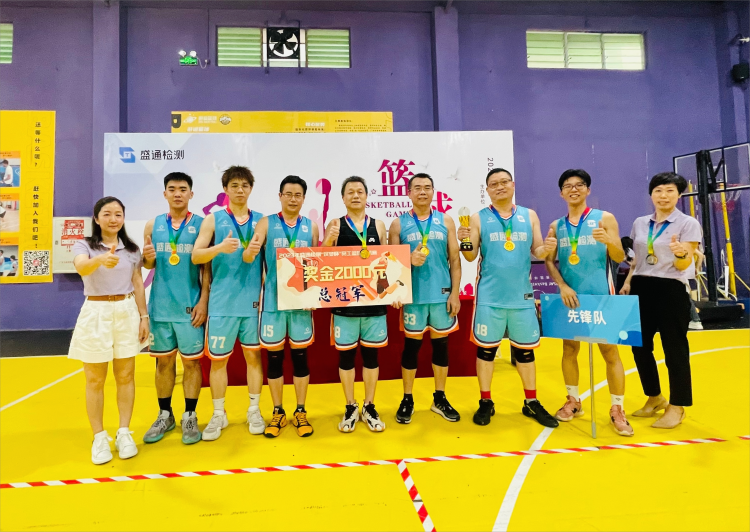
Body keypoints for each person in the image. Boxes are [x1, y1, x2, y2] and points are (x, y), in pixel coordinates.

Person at [457, 168, 558, 428]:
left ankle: (531, 401)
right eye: (494, 184)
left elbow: (537, 250)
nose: (500, 187)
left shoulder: (529, 215)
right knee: (486, 351)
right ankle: (486, 401)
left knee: (525, 353)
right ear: (487, 190)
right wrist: (464, 241)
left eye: (504, 182)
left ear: (513, 185)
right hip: (489, 297)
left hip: (521, 297)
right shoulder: (478, 218)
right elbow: (470, 256)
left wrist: (547, 249)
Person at [544, 169, 633, 436]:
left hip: (601, 296)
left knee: (610, 353)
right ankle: (573, 401)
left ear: (588, 190)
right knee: (569, 349)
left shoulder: (604, 218)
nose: (574, 189)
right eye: (568, 186)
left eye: (579, 185)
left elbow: (620, 256)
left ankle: (617, 408)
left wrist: (609, 242)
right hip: (570, 297)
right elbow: (548, 261)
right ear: (561, 193)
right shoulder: (556, 226)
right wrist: (562, 286)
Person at [68, 197, 149, 464]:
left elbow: (138, 282)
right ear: (96, 218)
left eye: (118, 214)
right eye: (107, 214)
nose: (113, 219)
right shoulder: (84, 245)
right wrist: (100, 259)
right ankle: (99, 437)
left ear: (123, 218)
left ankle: (124, 432)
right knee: (95, 380)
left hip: (126, 311)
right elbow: (81, 266)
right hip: (96, 311)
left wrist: (144, 317)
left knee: (125, 376)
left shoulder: (132, 249)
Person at [620, 172, 702, 429]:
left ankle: (677, 405)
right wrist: (628, 281)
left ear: (679, 194)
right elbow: (638, 259)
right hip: (641, 286)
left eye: (669, 190)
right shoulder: (640, 223)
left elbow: (685, 264)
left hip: (670, 288)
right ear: (651, 194)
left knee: (674, 349)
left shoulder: (688, 223)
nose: (663, 195)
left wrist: (681, 254)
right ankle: (654, 397)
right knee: (639, 346)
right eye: (658, 190)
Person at [192, 166, 265, 441]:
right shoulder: (213, 220)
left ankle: (254, 410)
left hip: (253, 303)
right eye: (234, 185)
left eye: (245, 185)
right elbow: (196, 256)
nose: (240, 190)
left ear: (251, 189)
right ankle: (218, 413)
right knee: (218, 361)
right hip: (222, 303)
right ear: (225, 189)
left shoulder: (262, 221)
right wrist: (219, 248)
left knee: (253, 358)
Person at [248, 175, 319, 438]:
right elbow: (251, 258)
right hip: (273, 303)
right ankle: (277, 411)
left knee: (301, 358)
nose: (292, 199)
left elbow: (317, 264)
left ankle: (300, 411)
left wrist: (314, 296)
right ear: (280, 196)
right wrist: (250, 249)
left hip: (300, 304)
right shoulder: (266, 223)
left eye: (297, 195)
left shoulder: (311, 227)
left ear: (303, 198)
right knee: (275, 359)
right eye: (288, 194)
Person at [388, 173, 462, 424]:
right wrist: (407, 263)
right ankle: (407, 398)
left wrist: (455, 293)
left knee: (441, 346)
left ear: (433, 192)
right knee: (412, 347)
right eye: (417, 188)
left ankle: (439, 398)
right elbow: (391, 264)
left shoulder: (446, 220)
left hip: (441, 296)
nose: (422, 192)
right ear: (408, 193)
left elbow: (455, 260)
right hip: (413, 297)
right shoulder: (398, 224)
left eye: (427, 188)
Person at [141, 172, 209, 445]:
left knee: (191, 362)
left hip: (190, 306)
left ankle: (189, 415)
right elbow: (149, 264)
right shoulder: (153, 225)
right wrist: (146, 259)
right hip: (161, 306)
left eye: (183, 189)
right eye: (172, 189)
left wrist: (204, 300)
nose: (177, 193)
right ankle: (164, 414)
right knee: (164, 362)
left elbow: (207, 267)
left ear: (191, 194)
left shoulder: (202, 225)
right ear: (165, 194)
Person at [321, 176, 388, 433]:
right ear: (343, 198)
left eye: (360, 191)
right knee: (346, 356)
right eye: (350, 192)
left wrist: (393, 292)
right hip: (345, 304)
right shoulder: (335, 224)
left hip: (374, 303)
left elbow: (388, 261)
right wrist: (328, 241)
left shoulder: (378, 225)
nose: (356, 195)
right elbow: (322, 261)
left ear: (367, 196)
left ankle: (369, 405)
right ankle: (350, 405)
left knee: (371, 356)